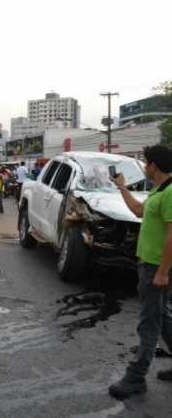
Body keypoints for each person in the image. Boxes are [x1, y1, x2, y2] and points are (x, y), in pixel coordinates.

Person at [108, 145, 172, 399]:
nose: (144, 167)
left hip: (157, 267)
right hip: (151, 265)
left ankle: (135, 377)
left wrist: (163, 272)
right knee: (163, 318)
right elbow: (138, 211)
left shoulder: (170, 193)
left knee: (149, 324)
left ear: (153, 165)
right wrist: (121, 187)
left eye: (145, 163)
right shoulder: (161, 189)